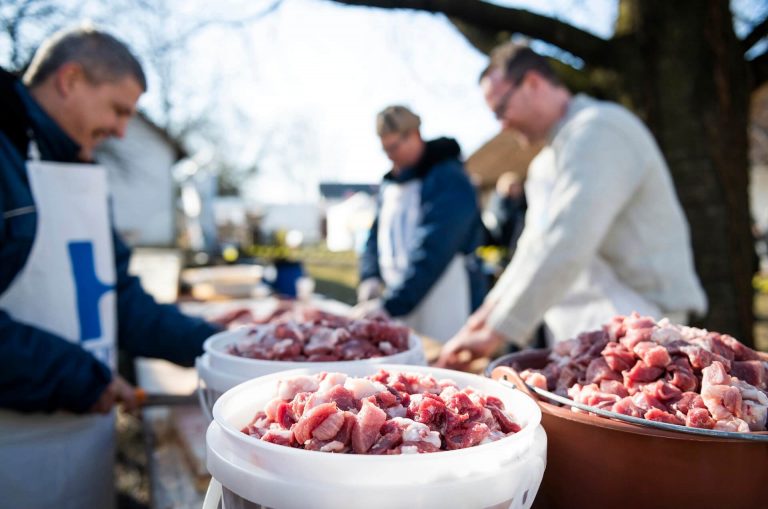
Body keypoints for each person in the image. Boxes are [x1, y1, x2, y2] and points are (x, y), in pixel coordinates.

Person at [0, 26, 231, 509]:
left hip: (84, 439)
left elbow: (116, 296)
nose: (123, 130)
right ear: (70, 80)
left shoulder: (76, 161)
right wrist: (79, 377)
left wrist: (215, 347)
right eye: (118, 110)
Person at [437, 43, 707, 370]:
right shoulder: (545, 163)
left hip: (651, 324)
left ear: (533, 83)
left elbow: (568, 240)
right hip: (593, 333)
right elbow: (532, 250)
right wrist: (482, 320)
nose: (502, 125)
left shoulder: (599, 129)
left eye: (501, 108)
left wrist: (498, 331)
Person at [355, 105, 486, 342]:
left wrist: (394, 303)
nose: (390, 156)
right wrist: (370, 275)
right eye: (385, 150)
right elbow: (376, 234)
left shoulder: (448, 178)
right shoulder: (390, 183)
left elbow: (436, 246)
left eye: (394, 147)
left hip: (441, 296)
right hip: (399, 295)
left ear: (414, 135)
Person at [482, 170, 527, 253]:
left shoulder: (520, 203)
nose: (516, 189)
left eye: (517, 186)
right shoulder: (499, 203)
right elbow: (503, 222)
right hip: (502, 247)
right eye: (513, 186)